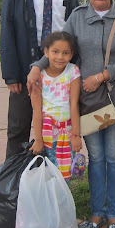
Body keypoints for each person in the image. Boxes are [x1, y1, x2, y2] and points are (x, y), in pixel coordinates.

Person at [28, 0, 115, 228]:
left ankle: (114, 214)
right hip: (88, 103)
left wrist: (102, 76)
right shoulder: (77, 17)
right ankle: (96, 214)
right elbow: (60, 46)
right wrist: (36, 67)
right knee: (97, 158)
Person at [0, 0, 82, 159]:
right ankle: (14, 179)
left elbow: (73, 26)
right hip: (25, 63)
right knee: (18, 129)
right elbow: (8, 24)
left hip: (57, 66)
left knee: (54, 129)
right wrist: (11, 75)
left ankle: (48, 178)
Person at [30, 31, 83, 180]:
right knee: (48, 176)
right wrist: (38, 139)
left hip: (66, 133)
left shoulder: (73, 71)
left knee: (64, 176)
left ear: (71, 55)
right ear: (46, 52)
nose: (60, 57)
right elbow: (37, 110)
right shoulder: (39, 75)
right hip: (46, 133)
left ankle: (62, 195)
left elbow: (74, 104)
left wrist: (76, 135)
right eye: (55, 52)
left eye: (65, 53)